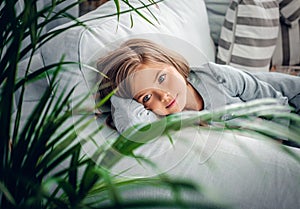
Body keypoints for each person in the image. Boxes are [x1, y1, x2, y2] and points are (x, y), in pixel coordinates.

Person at [97, 38, 300, 142]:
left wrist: (278, 144)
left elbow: (276, 102)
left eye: (162, 78)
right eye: (148, 96)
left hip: (291, 102)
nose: (164, 95)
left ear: (174, 65)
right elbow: (133, 126)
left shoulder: (215, 75)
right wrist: (120, 93)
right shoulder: (165, 118)